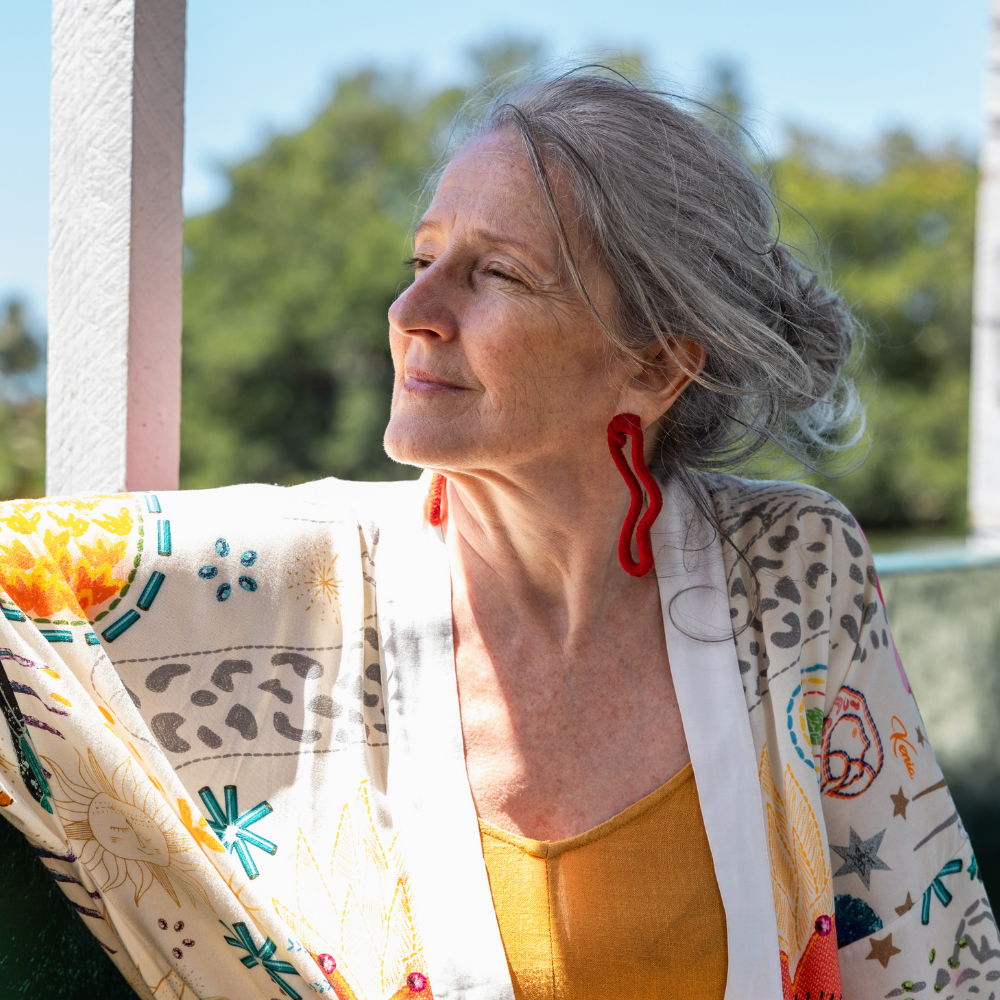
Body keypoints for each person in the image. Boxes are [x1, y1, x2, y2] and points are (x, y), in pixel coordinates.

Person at [0, 70, 991, 1000]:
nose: (413, 310)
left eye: (495, 275)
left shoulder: (787, 569)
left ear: (652, 366)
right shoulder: (296, 563)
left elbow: (934, 966)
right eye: (423, 259)